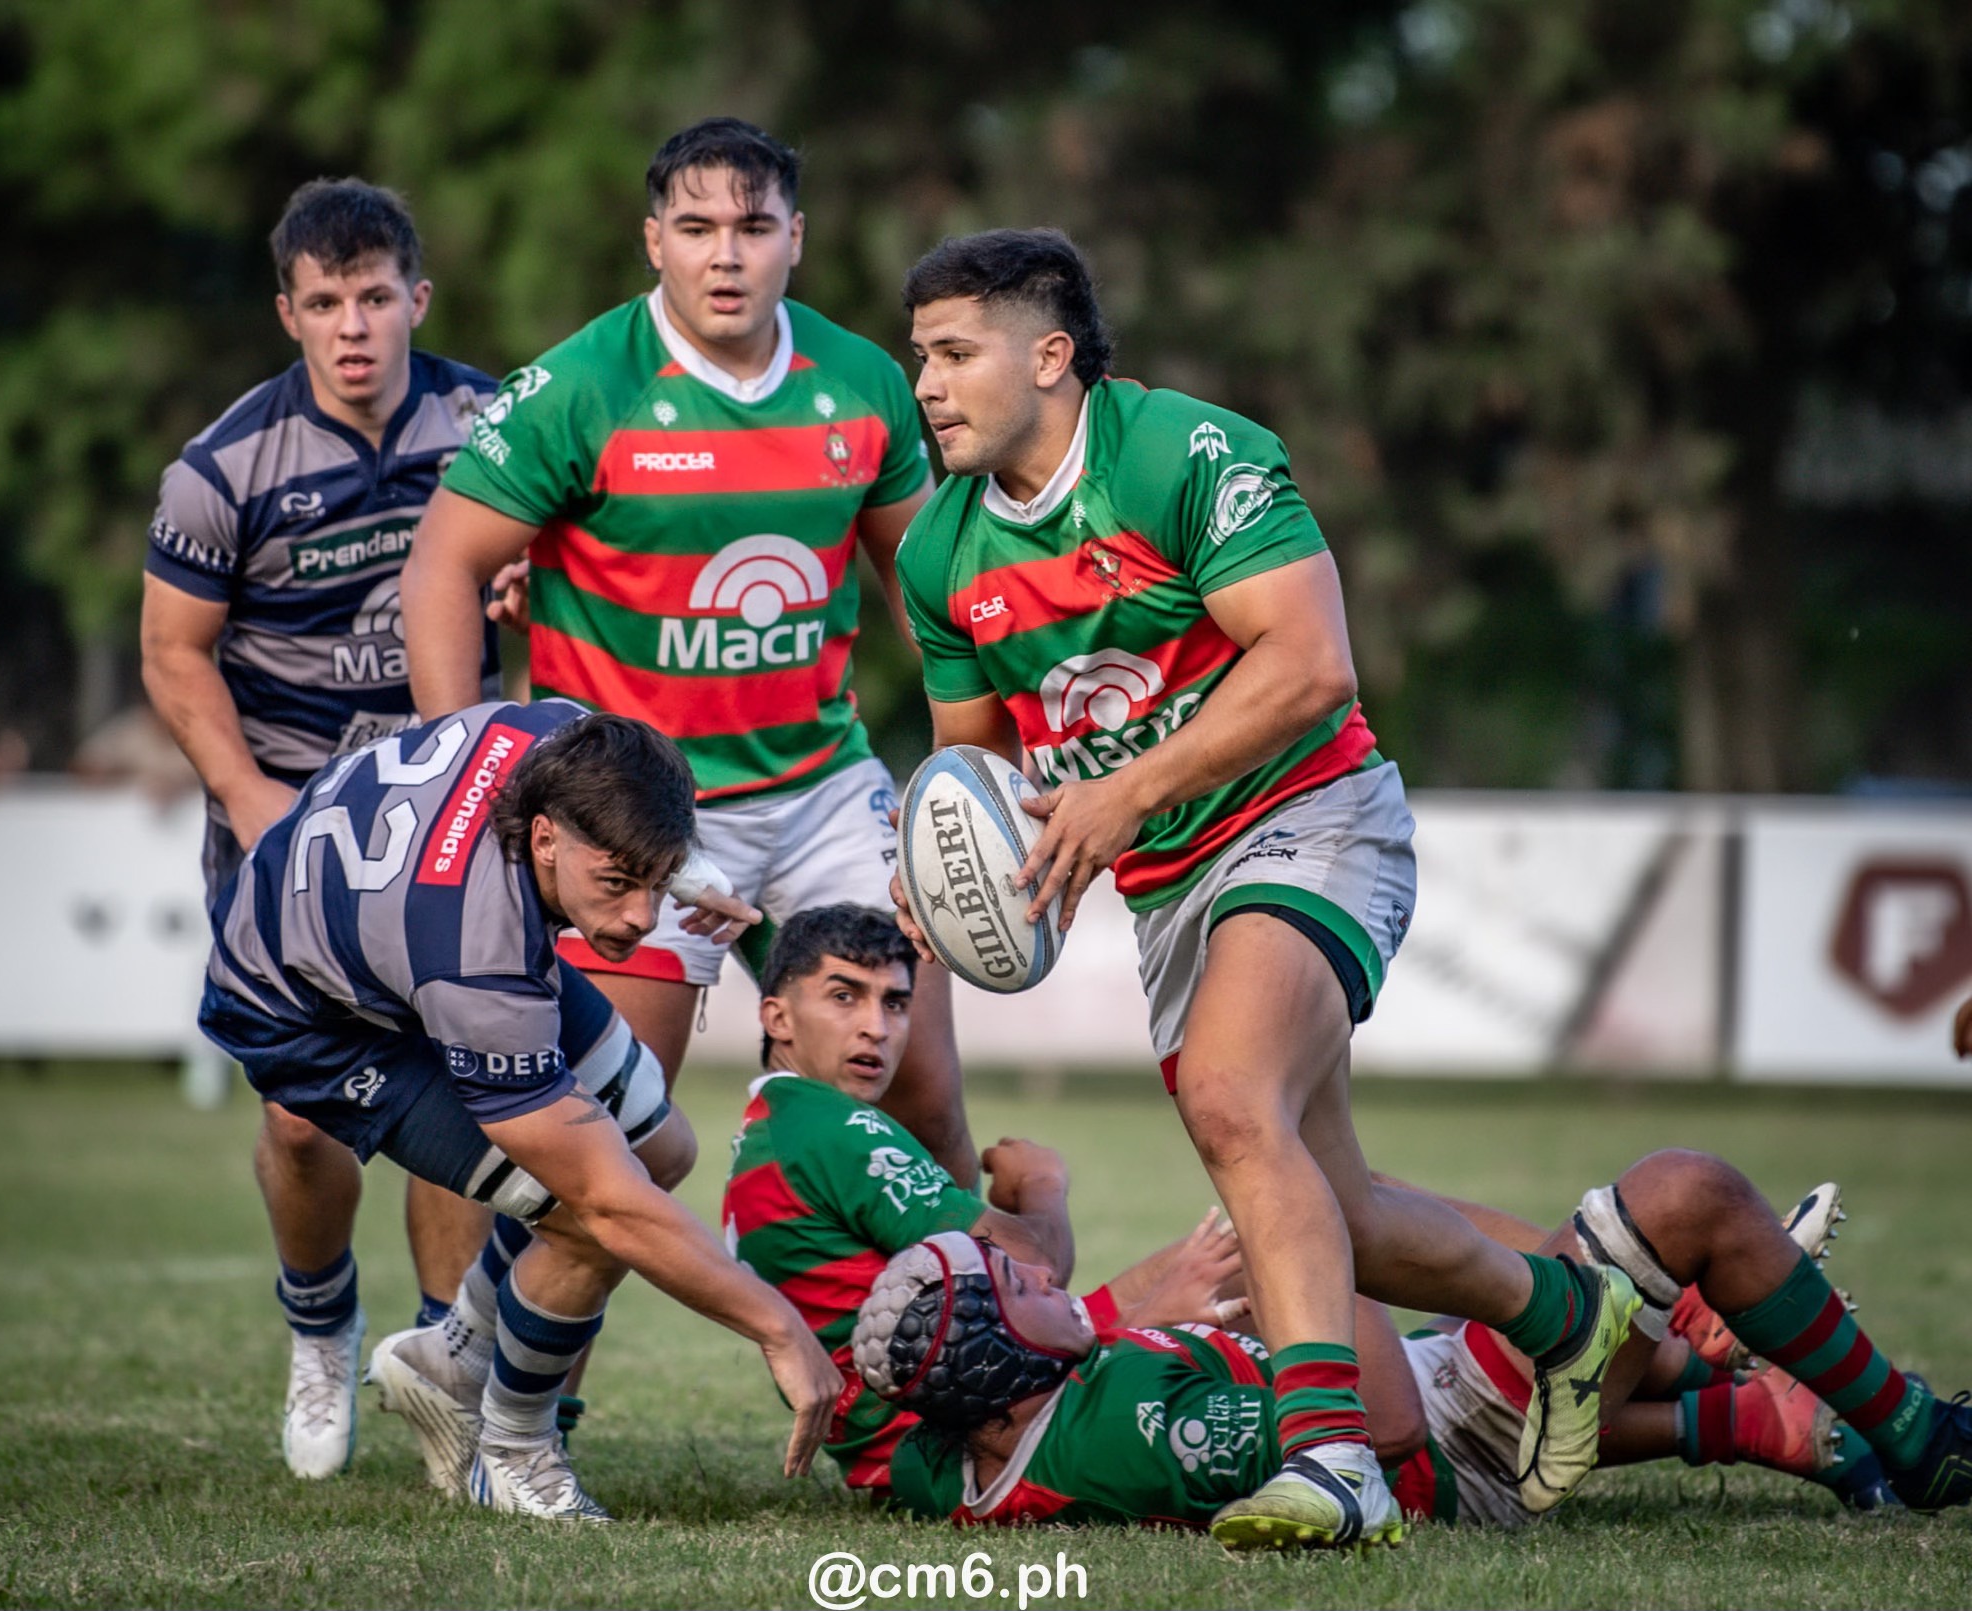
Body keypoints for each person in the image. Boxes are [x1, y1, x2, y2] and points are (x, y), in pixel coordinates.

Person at [890, 227, 1644, 1550]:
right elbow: (975, 763)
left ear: (1051, 353)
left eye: (956, 355)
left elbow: (1311, 667)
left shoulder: (1187, 452)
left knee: (1239, 1108)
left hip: (1314, 814)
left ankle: (1332, 1458)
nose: (929, 386)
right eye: (920, 361)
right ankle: (1571, 1317)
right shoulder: (938, 550)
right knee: (1333, 1208)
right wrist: (967, 878)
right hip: (1173, 886)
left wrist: (1122, 791)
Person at [398, 116, 979, 1187]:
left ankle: (945, 1351)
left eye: (753, 226)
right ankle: (489, 1344)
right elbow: (440, 568)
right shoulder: (578, 389)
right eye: (697, 226)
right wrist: (465, 764)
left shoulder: (860, 383)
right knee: (615, 1139)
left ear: (795, 238)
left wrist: (972, 764)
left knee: (923, 1097)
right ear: (651, 239)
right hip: (641, 811)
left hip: (819, 791)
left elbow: (928, 592)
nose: (725, 253)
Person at [199, 701, 841, 1520]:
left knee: (661, 1148)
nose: (643, 918)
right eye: (618, 882)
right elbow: (610, 1203)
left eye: (656, 878)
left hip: (397, 922)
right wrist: (779, 1327)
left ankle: (455, 1352)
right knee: (591, 1204)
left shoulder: (565, 738)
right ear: (542, 838)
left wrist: (673, 861)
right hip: (310, 1014)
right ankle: (512, 1450)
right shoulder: (477, 955)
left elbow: (617, 804)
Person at [139, 177, 503, 1479]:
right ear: (288, 312)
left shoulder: (494, 424)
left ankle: (440, 1366)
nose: (353, 326)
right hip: (289, 812)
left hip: (454, 808)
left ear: (418, 297)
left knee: (467, 1085)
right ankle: (318, 1322)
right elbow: (174, 656)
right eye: (325, 302)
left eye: (374, 296)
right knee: (304, 1119)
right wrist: (253, 803)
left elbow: (570, 566)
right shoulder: (222, 466)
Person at [861, 1150, 1972, 1531]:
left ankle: (1752, 1390)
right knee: (1683, 1194)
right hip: (1449, 1446)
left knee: (1357, 1199)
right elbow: (1380, 1427)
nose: (1049, 1273)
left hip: (1450, 1401)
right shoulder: (1123, 1434)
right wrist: (1307, 1266)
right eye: (1018, 1284)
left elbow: (892, 1420)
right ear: (999, 1375)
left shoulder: (960, 1441)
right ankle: (1911, 1435)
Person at [721, 904, 1246, 1491]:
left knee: (1267, 1246)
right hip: (972, 1436)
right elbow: (1034, 1268)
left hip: (946, 1417)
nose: (876, 1026)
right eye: (845, 997)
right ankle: (1331, 1448)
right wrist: (1041, 1184)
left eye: (894, 1003)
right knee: (1276, 1249)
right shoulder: (830, 1130)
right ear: (778, 1018)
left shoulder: (776, 1127)